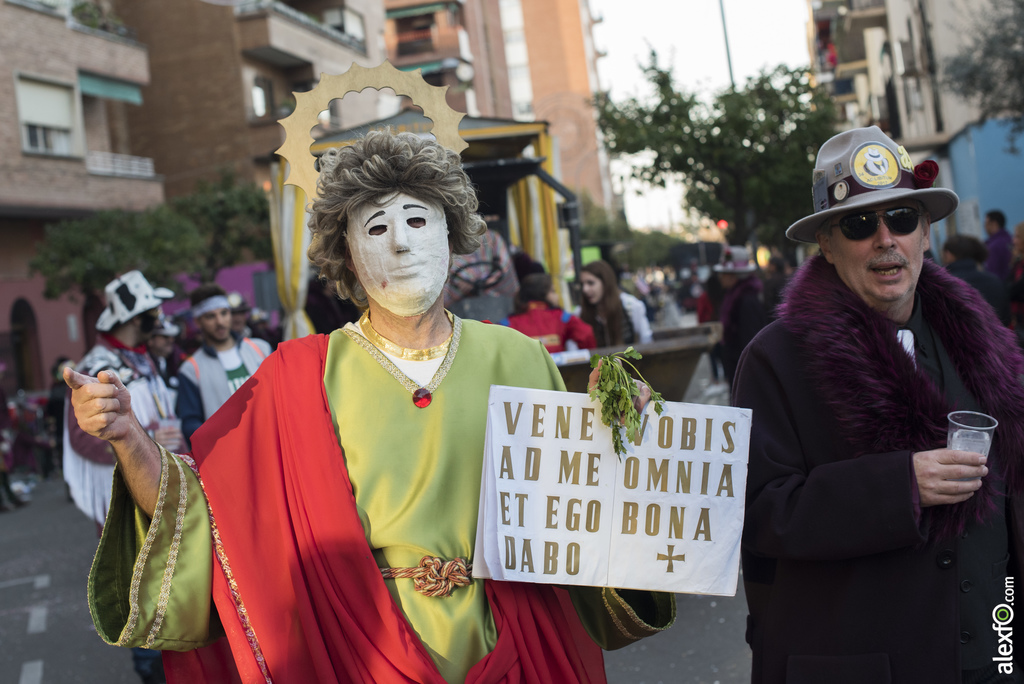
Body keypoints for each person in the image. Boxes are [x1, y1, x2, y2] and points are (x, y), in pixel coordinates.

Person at [66, 131, 674, 683]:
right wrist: (126, 435)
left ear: (452, 233)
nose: (403, 241)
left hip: (519, 640)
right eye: (377, 228)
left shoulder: (518, 356)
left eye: (418, 218)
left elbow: (582, 510)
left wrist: (631, 441)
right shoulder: (296, 374)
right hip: (363, 649)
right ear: (347, 254)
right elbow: (203, 509)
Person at [735, 125, 1024, 683]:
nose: (885, 239)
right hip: (860, 661)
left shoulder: (984, 342)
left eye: (902, 219)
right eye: (860, 224)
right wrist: (901, 485)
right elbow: (759, 512)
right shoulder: (776, 358)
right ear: (827, 243)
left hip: (993, 654)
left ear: (926, 234)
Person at [63, 270, 183, 529]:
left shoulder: (141, 356)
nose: (160, 320)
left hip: (162, 479)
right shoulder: (97, 368)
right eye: (154, 314)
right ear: (136, 319)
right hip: (127, 492)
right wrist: (147, 439)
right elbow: (84, 437)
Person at [176, 283, 272, 444]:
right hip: (229, 457)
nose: (220, 322)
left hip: (269, 443)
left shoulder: (260, 348)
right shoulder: (191, 369)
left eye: (224, 313)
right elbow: (190, 424)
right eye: (210, 316)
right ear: (198, 322)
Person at [500, 272, 596, 352]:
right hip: (558, 373)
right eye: (553, 291)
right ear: (542, 294)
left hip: (524, 373)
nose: (557, 296)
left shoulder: (508, 323)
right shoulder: (562, 317)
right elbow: (586, 333)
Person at [715, 246, 766, 386]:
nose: (720, 277)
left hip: (745, 372)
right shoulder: (733, 295)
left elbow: (750, 340)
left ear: (734, 275)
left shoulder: (746, 300)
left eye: (724, 273)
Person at [578, 260, 653, 347]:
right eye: (582, 284)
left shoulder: (631, 306)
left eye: (591, 283)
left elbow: (646, 340)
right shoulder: (580, 312)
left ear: (605, 282)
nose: (585, 289)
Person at [941, 234, 1011, 325]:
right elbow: (1006, 319)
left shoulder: (943, 285)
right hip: (995, 338)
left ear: (948, 254)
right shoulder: (996, 282)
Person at [984, 209, 1012, 279]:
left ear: (994, 224)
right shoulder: (1011, 240)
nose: (985, 227)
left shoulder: (993, 246)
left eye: (986, 224)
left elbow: (992, 274)